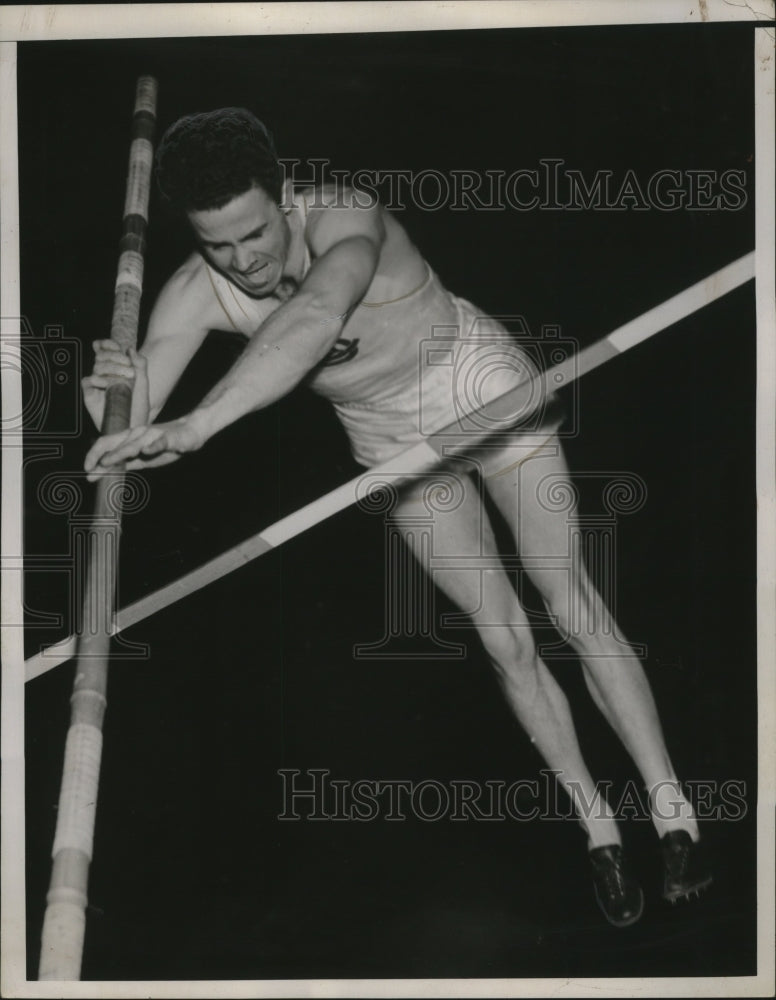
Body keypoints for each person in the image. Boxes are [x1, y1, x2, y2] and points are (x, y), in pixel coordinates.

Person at [82, 107, 710, 927]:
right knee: (503, 638)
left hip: (475, 382)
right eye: (219, 246)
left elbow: (309, 322)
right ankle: (597, 827)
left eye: (257, 233)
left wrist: (199, 424)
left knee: (570, 603)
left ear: (286, 195)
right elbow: (127, 428)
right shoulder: (197, 293)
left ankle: (673, 815)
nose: (245, 261)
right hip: (385, 435)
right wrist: (111, 386)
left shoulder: (347, 216)